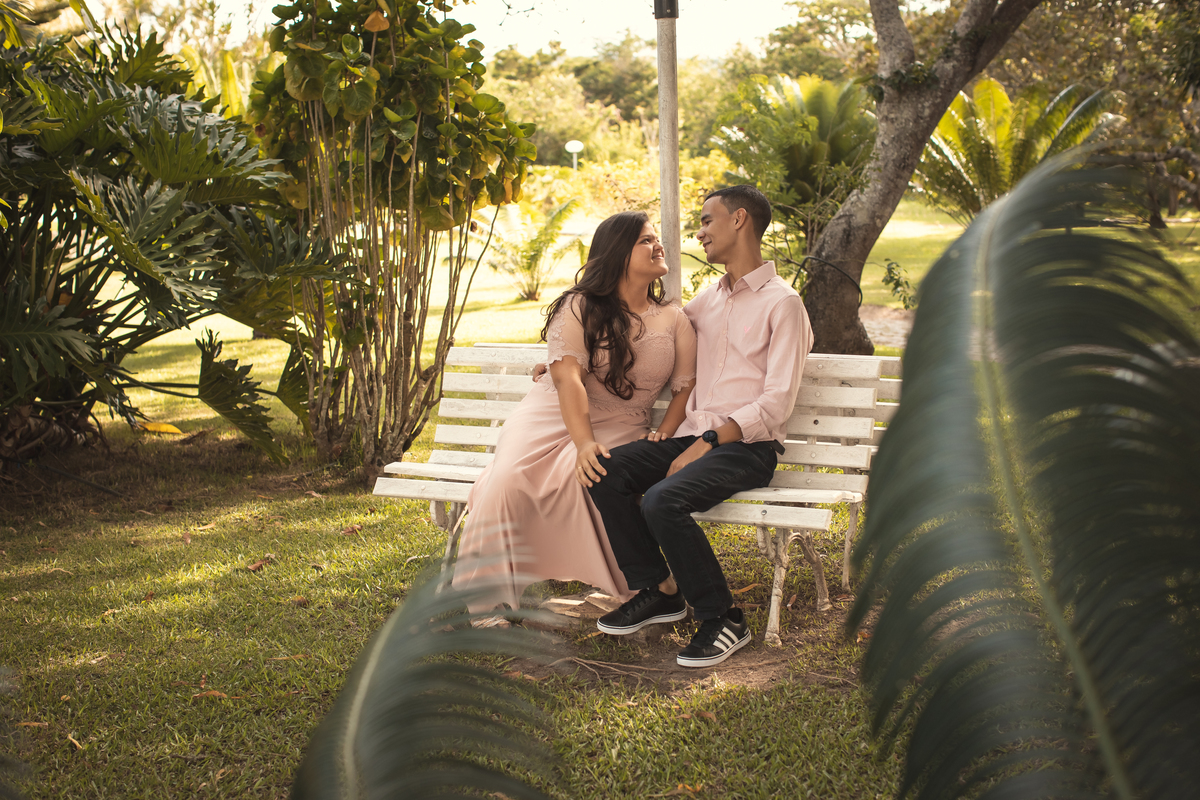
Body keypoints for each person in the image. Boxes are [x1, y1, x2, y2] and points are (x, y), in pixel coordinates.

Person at [586, 185, 814, 667]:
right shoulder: (705, 301)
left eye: (708, 220)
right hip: (693, 438)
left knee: (662, 500)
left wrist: (709, 440)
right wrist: (571, 361)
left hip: (746, 447)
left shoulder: (784, 304)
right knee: (605, 471)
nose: (700, 231)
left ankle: (723, 617)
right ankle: (662, 590)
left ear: (739, 220)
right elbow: (645, 334)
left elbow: (776, 403)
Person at [452, 211, 697, 618]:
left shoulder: (675, 318)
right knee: (509, 481)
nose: (659, 246)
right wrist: (583, 443)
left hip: (624, 423)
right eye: (645, 241)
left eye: (657, 239)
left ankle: (628, 588)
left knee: (600, 474)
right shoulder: (579, 305)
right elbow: (568, 380)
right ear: (617, 253)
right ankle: (489, 595)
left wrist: (664, 434)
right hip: (551, 414)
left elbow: (684, 388)